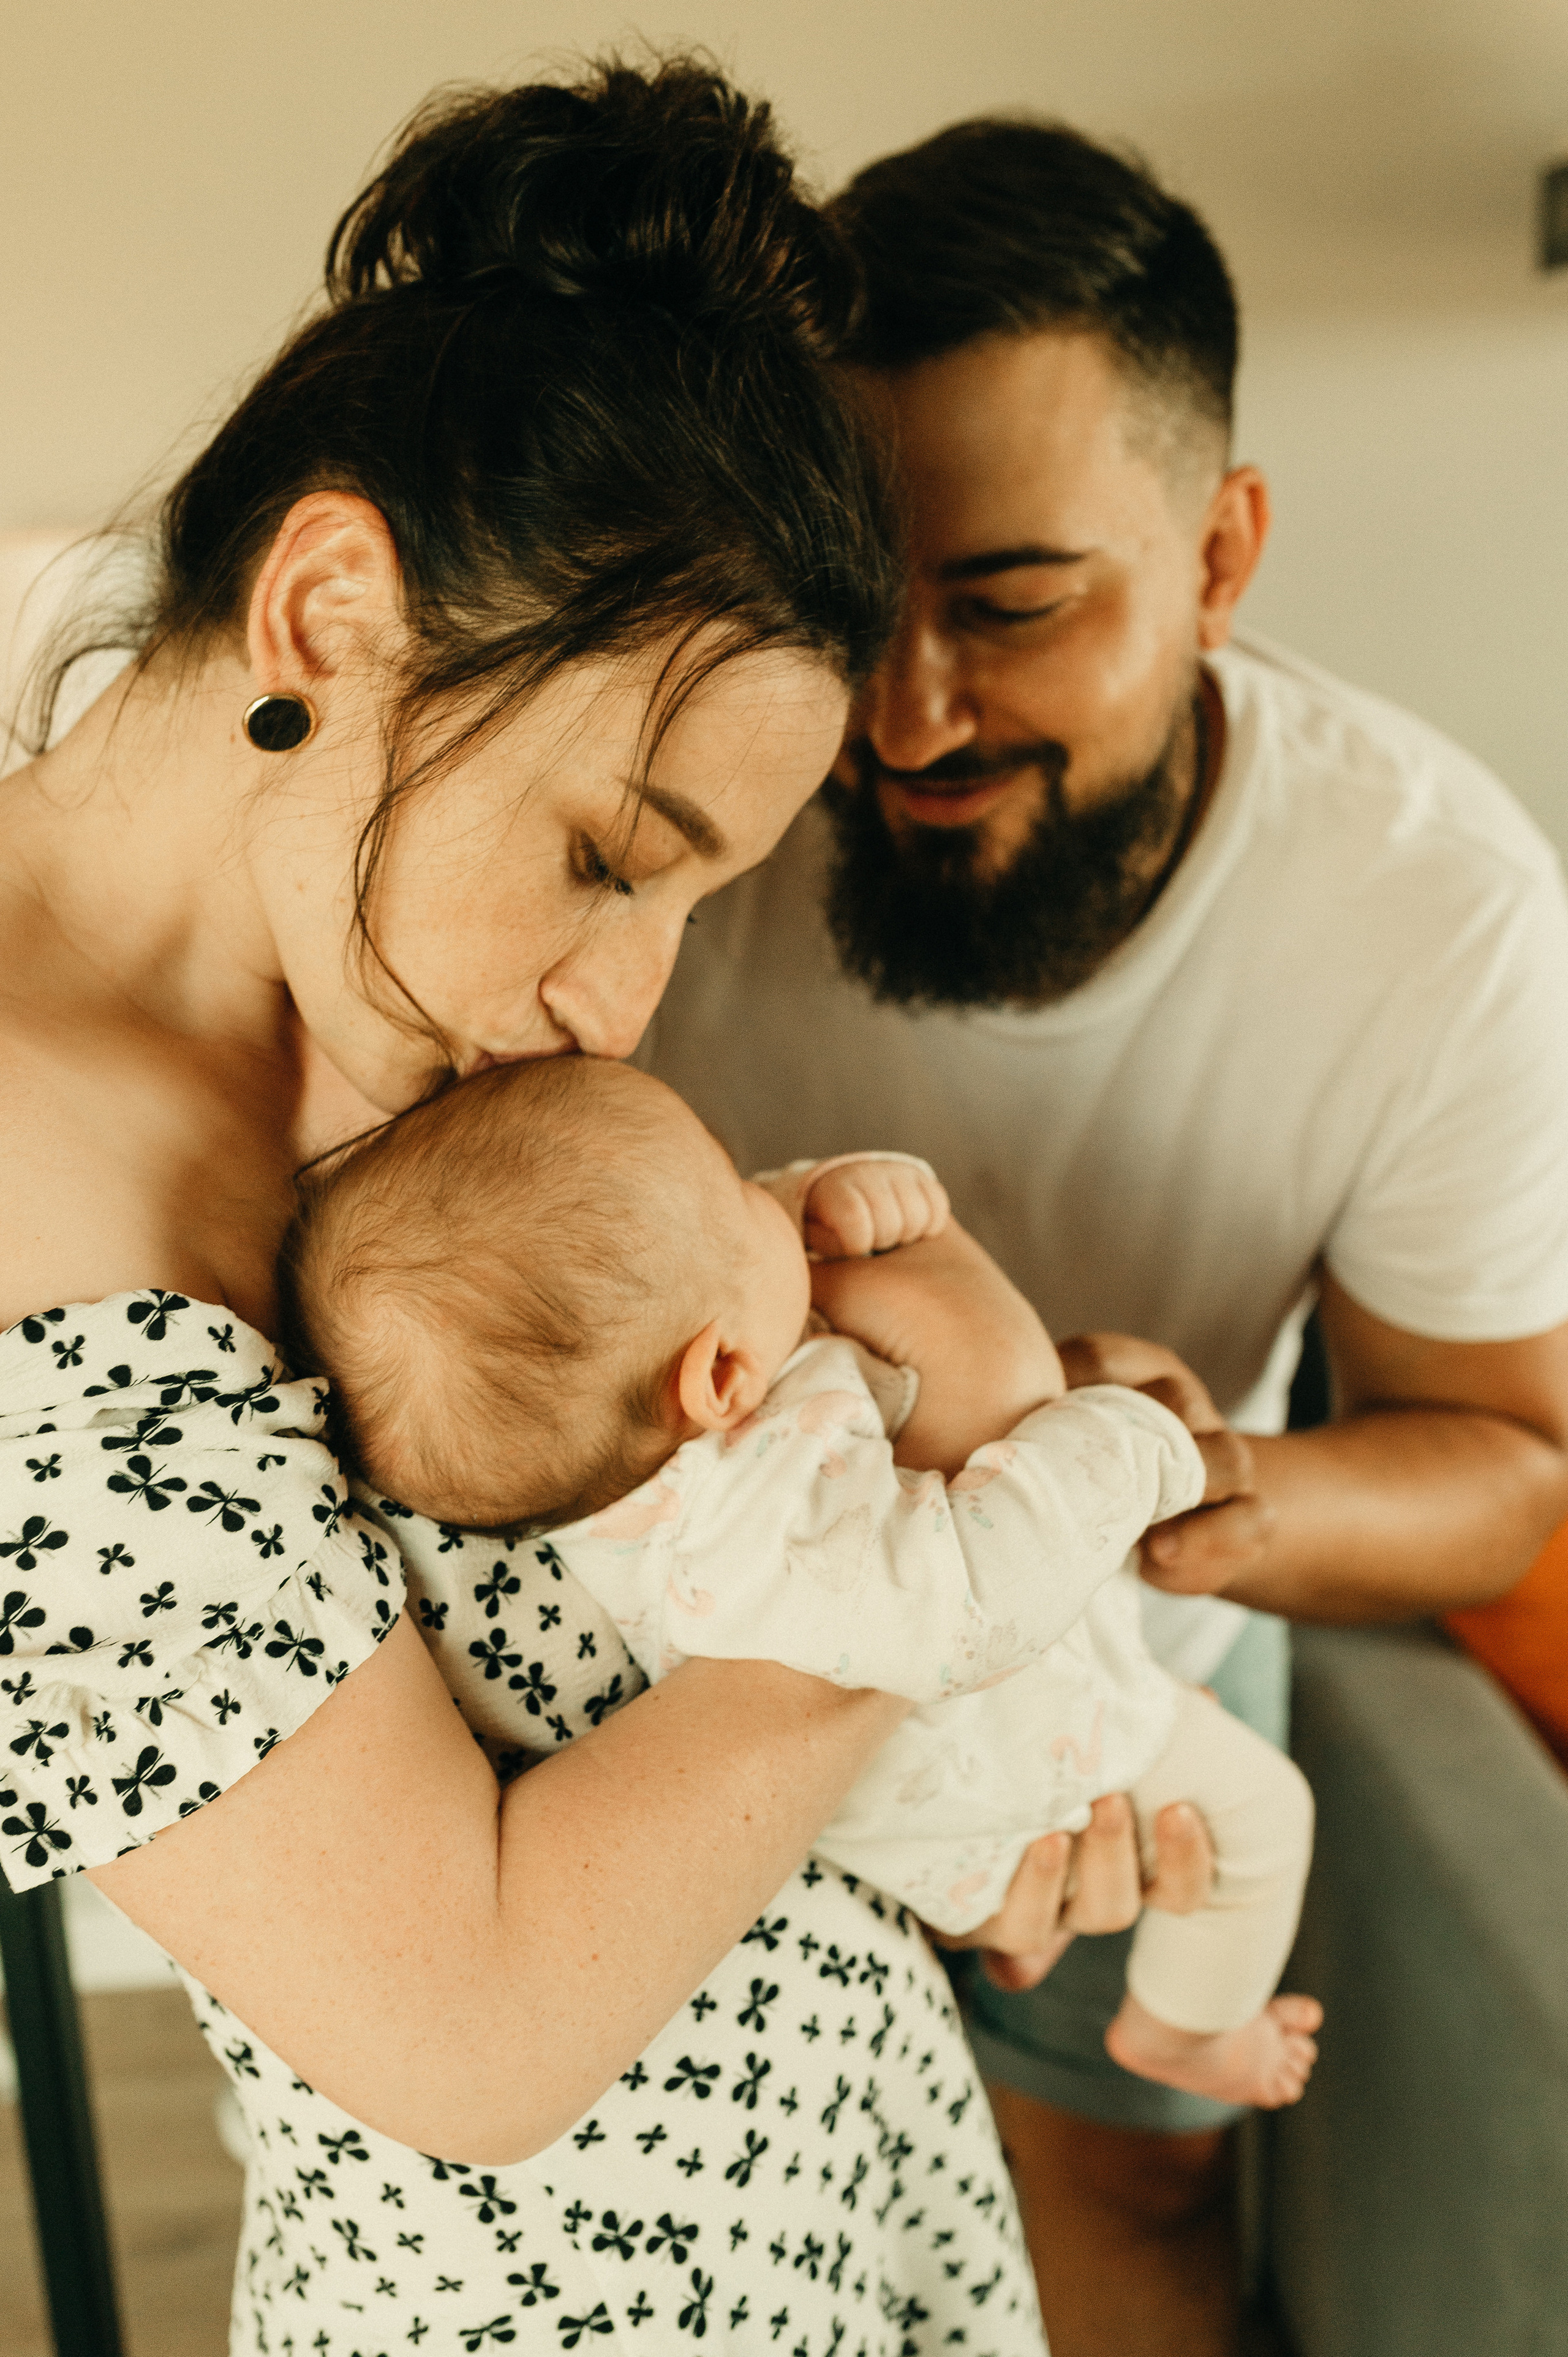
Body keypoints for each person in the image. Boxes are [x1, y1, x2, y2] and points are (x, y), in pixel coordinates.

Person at [0, 60, 1167, 2356]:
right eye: (614, 856)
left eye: (695, 903)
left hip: (844, 2169)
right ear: (328, 612)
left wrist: (974, 1738)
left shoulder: (376, 980)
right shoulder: (39, 1252)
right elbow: (476, 2024)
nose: (622, 1002)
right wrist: (951, 1543)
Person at [639, 117, 1568, 2356]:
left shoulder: (1438, 914)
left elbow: (1510, 1461)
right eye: (853, 602)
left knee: (1131, 2205)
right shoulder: (672, 795)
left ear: (1225, 552)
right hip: (702, 1608)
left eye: (1016, 604)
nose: (907, 712)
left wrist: (1205, 1486)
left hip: (1140, 1622)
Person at [274, 1053, 1320, 2106]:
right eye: (743, 1193)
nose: (771, 1190)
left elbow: (698, 1262)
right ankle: (1184, 2039)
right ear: (723, 1374)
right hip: (999, 1751)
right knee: (1267, 1816)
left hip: (992, 1734)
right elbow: (958, 1610)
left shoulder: (646, 1440)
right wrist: (1131, 1445)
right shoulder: (755, 1527)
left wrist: (819, 1198)